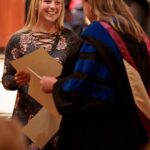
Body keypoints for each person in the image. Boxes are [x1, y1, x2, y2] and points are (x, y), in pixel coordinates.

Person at [40, 0, 150, 150]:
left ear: (91, 4)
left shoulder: (98, 34)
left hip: (100, 132)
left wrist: (55, 86)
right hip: (129, 129)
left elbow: (82, 91)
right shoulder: (135, 32)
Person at [2, 0, 80, 149]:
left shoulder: (72, 39)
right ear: (36, 4)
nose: (53, 7)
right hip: (25, 121)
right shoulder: (17, 40)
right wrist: (17, 80)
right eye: (47, 1)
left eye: (57, 2)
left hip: (58, 121)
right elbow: (6, 79)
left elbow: (76, 79)